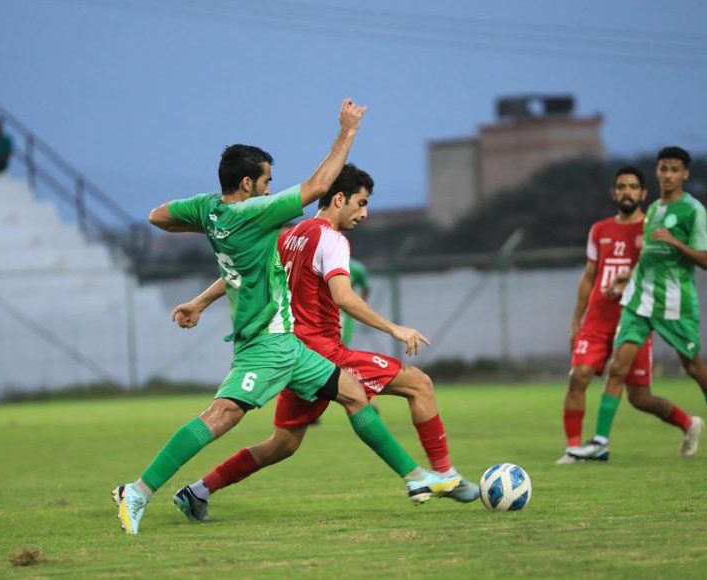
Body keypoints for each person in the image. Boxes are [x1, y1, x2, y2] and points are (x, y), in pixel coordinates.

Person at [112, 99, 460, 536]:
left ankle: (416, 477)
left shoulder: (211, 209)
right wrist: (348, 131)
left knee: (353, 395)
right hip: (265, 345)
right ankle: (138, 491)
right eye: (266, 182)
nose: (269, 189)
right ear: (247, 183)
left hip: (292, 347)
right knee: (222, 416)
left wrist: (211, 237)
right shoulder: (255, 213)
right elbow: (318, 185)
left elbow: (157, 216)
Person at [169, 163, 478, 522]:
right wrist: (394, 329)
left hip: (290, 354)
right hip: (324, 353)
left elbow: (240, 273)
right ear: (339, 199)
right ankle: (443, 474)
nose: (364, 214)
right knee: (419, 384)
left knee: (283, 444)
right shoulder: (331, 239)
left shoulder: (289, 235)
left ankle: (198, 491)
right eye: (361, 203)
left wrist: (199, 302)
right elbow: (344, 297)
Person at [570, 146, 707, 461]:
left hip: (675, 302)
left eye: (674, 169)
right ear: (657, 172)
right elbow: (648, 256)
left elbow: (706, 260)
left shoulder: (693, 210)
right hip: (639, 300)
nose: (668, 175)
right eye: (663, 169)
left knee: (692, 366)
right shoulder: (655, 209)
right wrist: (628, 276)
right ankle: (600, 442)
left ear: (685, 174)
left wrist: (674, 241)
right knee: (617, 369)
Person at [558, 166, 702, 464]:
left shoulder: (651, 229)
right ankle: (573, 449)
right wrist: (576, 320)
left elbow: (659, 270)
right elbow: (589, 276)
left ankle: (689, 423)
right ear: (614, 193)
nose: (627, 192)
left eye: (633, 187)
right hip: (598, 320)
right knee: (579, 376)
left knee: (640, 398)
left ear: (643, 193)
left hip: (635, 318)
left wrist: (632, 279)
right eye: (622, 187)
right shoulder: (599, 230)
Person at [341, 258, 370, 345]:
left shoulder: (355, 268)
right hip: (323, 309)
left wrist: (359, 306)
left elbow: (366, 287)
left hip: (343, 312)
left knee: (341, 343)